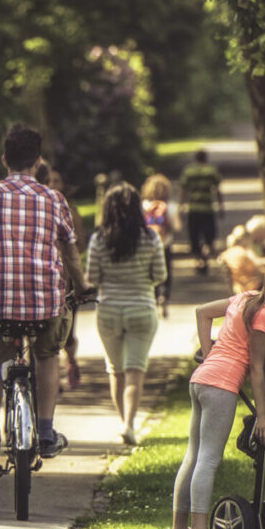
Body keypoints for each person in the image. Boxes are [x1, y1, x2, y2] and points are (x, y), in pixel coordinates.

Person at [0, 124, 90, 476]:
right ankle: (44, 430)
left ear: (4, 159)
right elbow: (70, 251)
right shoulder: (54, 199)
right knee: (47, 353)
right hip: (44, 300)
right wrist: (82, 287)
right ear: (38, 161)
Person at [166, 266, 265, 529]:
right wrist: (264, 417)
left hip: (201, 380)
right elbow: (256, 369)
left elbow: (202, 312)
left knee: (192, 457)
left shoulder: (244, 298)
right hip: (221, 385)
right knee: (208, 459)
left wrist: (208, 355)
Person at [86, 183, 166, 446]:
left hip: (108, 310)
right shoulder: (151, 238)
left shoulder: (99, 239)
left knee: (115, 370)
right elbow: (160, 275)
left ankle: (123, 423)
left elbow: (93, 277)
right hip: (141, 309)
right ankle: (129, 425)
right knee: (135, 371)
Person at [40, 161, 84, 389]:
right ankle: (52, 373)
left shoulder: (72, 212)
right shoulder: (38, 211)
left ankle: (71, 361)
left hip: (67, 282)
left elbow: (79, 245)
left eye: (57, 181)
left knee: (68, 331)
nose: (53, 185)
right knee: (47, 332)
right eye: (49, 181)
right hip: (45, 282)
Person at [140, 173, 182, 318]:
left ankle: (154, 297)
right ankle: (164, 295)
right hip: (165, 243)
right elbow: (177, 226)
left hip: (147, 245)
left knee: (150, 272)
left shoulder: (143, 206)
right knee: (166, 271)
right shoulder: (170, 206)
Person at [177, 149, 224, 273]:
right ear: (206, 158)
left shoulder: (189, 171)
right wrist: (220, 206)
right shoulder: (211, 171)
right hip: (207, 208)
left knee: (195, 235)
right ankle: (206, 255)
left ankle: (198, 259)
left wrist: (181, 207)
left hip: (193, 209)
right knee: (209, 235)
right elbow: (217, 190)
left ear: (195, 158)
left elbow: (184, 191)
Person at [218, 224, 265, 293]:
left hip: (238, 285)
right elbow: (255, 268)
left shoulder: (227, 253)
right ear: (246, 239)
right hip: (249, 285)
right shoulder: (242, 252)